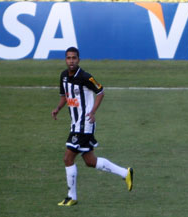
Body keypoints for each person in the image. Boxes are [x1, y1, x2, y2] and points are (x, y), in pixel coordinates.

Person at [51, 46, 134, 206]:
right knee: (90, 161)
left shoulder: (85, 77)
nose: (71, 61)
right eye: (68, 58)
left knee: (68, 158)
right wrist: (58, 109)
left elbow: (100, 91)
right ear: (65, 60)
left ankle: (71, 197)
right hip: (75, 124)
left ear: (79, 60)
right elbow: (65, 97)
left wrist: (93, 111)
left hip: (84, 125)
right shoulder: (63, 76)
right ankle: (126, 173)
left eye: (74, 58)